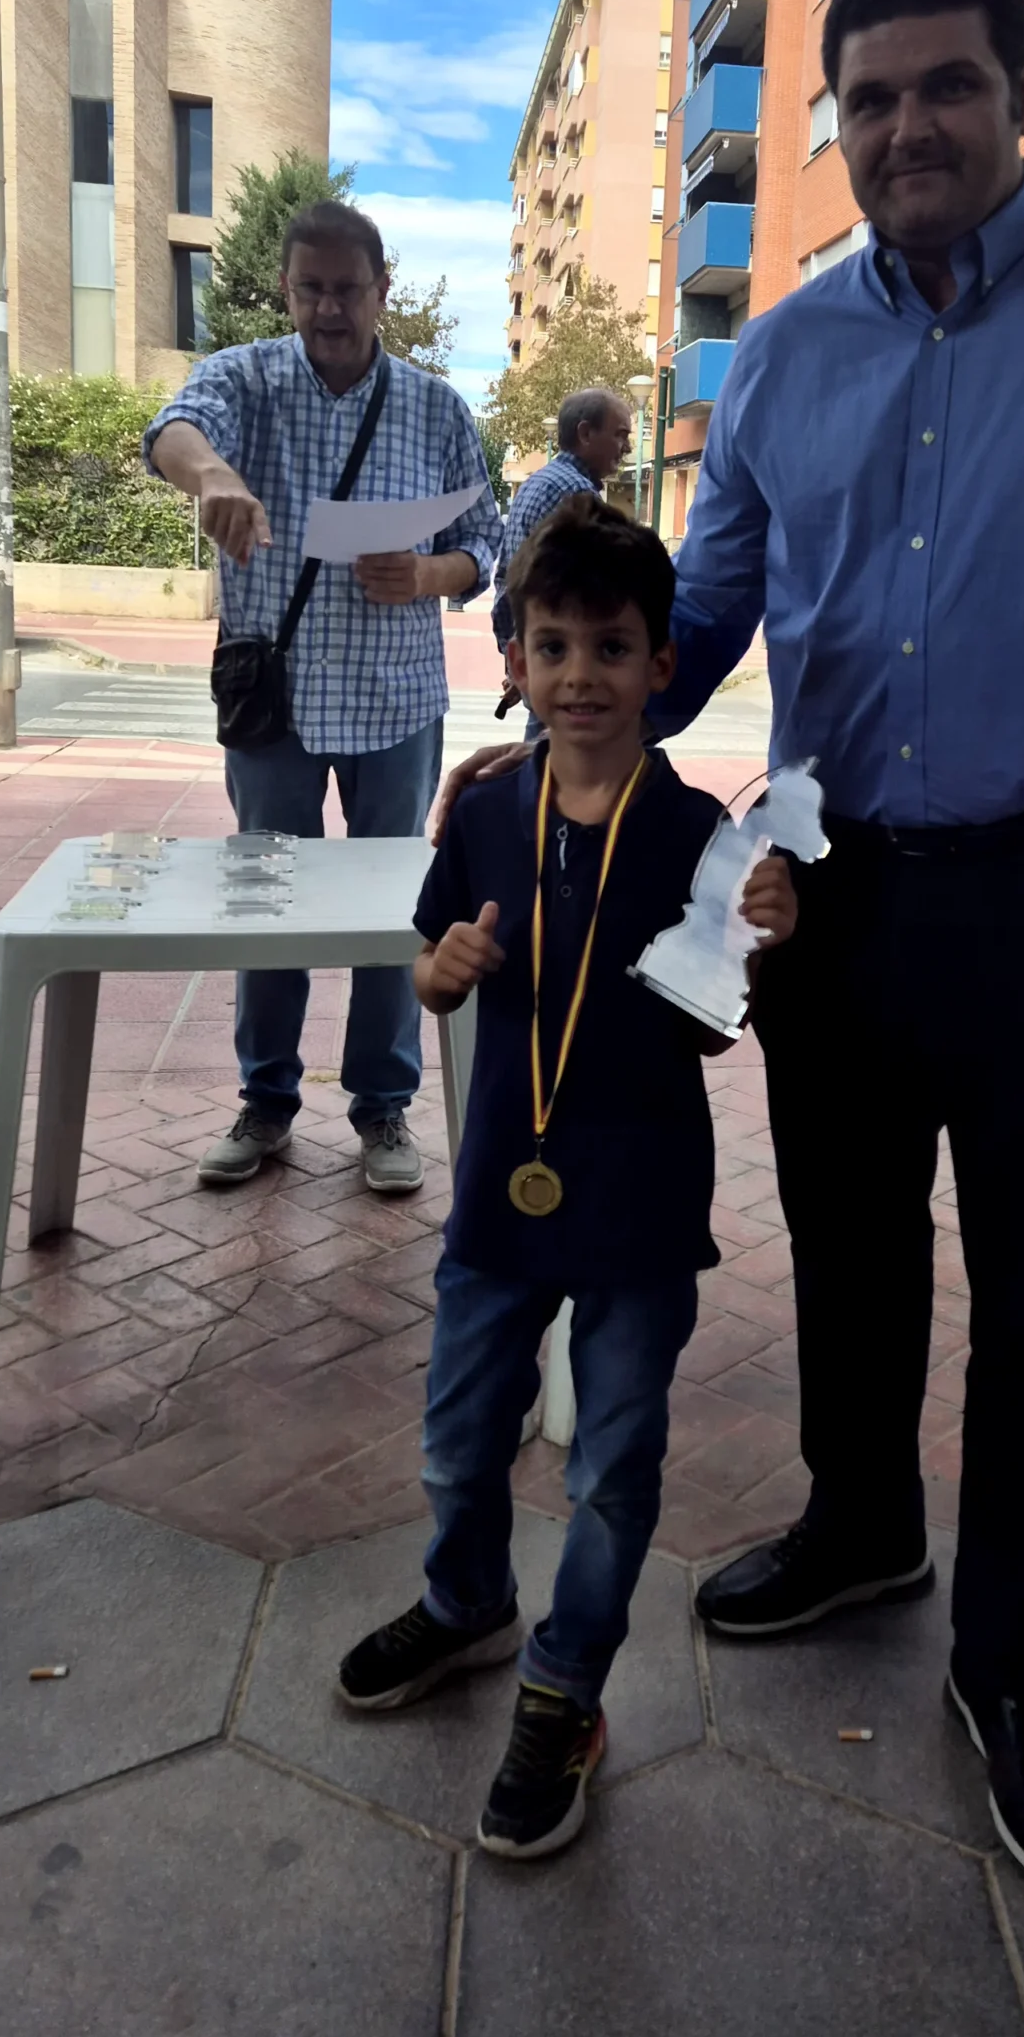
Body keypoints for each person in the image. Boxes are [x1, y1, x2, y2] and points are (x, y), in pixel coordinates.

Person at [440, 0, 1024, 1895]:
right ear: (832, 124)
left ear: (1022, 92)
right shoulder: (782, 354)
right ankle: (861, 1523)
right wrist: (567, 719)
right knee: (844, 1240)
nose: (909, 125)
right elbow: (707, 615)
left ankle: (1011, 1673)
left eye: (948, 86)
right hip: (827, 882)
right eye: (873, 98)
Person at [339, 498, 796, 1859]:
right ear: (516, 662)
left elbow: (714, 1030)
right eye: (552, 646)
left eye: (610, 646)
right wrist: (443, 975)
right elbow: (430, 969)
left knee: (610, 1466)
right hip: (502, 1188)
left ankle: (566, 1684)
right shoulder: (488, 812)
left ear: (663, 664)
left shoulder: (701, 837)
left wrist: (759, 943)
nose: (580, 674)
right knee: (456, 1436)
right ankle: (467, 1600)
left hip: (642, 1201)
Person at [145, 199, 502, 1197]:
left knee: (397, 907)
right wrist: (213, 475)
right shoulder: (245, 379)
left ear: (383, 290)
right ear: (286, 288)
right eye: (311, 289)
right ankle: (266, 1099)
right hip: (278, 705)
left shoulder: (435, 407)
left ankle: (383, 1105)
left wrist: (428, 575)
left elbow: (489, 540)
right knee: (269, 902)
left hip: (396, 699)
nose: (329, 309)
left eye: (349, 289)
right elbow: (173, 430)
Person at [491, 389, 632, 722]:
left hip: (539, 656)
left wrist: (519, 656)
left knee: (543, 746)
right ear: (585, 433)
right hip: (564, 665)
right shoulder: (576, 494)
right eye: (620, 434)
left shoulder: (538, 482)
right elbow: (592, 594)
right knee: (563, 748)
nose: (626, 447)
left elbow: (509, 578)